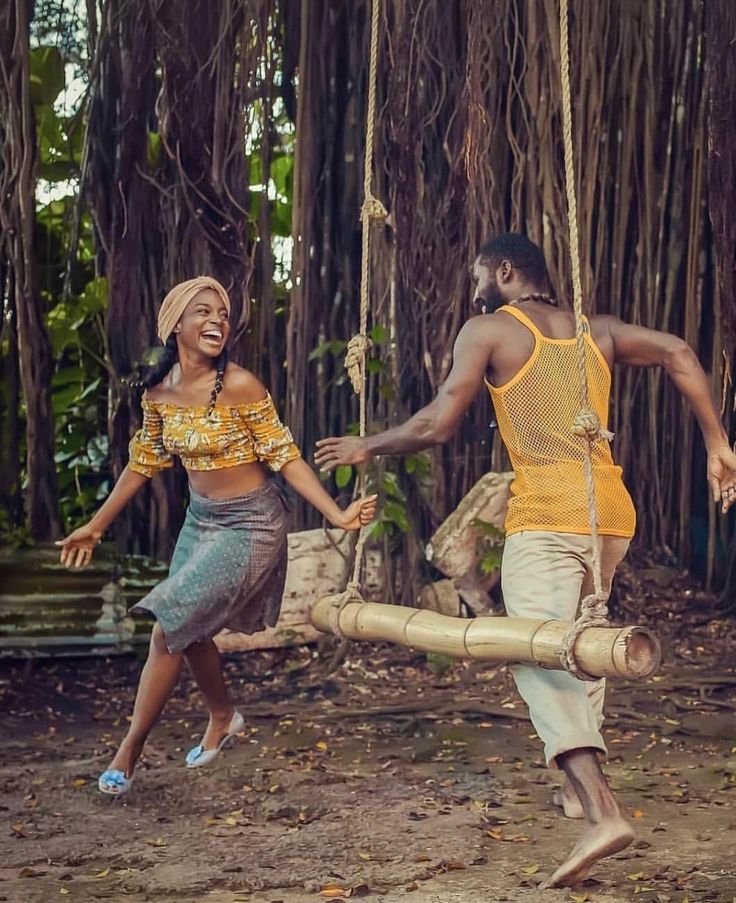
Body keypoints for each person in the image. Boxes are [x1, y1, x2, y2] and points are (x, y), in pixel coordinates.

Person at [314, 233, 736, 888]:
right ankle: (577, 793)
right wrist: (717, 442)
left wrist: (366, 445)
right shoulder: (598, 331)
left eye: (480, 275)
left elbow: (436, 423)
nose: (474, 286)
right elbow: (680, 351)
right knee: (578, 641)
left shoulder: (489, 330)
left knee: (535, 649)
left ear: (505, 272)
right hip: (610, 515)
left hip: (546, 516)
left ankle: (599, 810)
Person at [56, 276, 377, 797]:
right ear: (175, 325)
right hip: (200, 521)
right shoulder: (158, 394)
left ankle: (129, 750)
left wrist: (336, 515)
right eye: (203, 312)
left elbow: (284, 457)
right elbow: (143, 464)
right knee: (190, 630)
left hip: (252, 524)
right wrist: (96, 525)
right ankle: (224, 716)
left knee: (168, 625)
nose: (217, 322)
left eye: (223, 315)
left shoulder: (242, 385)